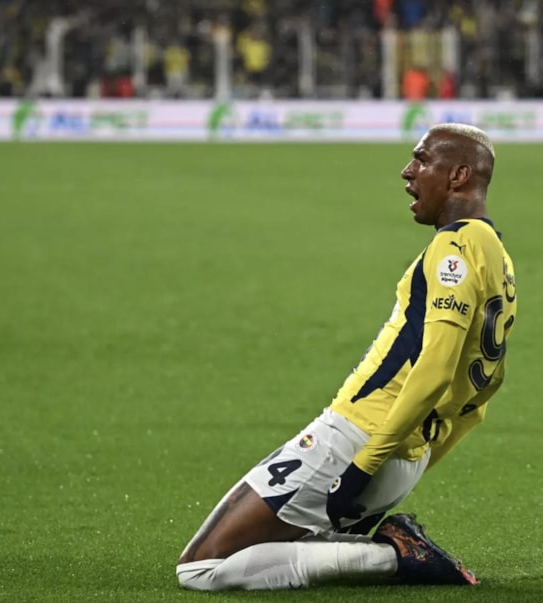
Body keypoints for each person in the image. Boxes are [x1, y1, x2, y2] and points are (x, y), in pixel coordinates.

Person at [176, 123, 517, 591]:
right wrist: (418, 461)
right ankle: (390, 549)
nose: (407, 171)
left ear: (458, 175)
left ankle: (393, 557)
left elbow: (436, 370)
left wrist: (363, 466)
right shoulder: (498, 257)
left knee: (201, 568)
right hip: (404, 451)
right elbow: (485, 387)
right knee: (289, 545)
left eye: (421, 160)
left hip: (359, 438)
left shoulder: (453, 248)